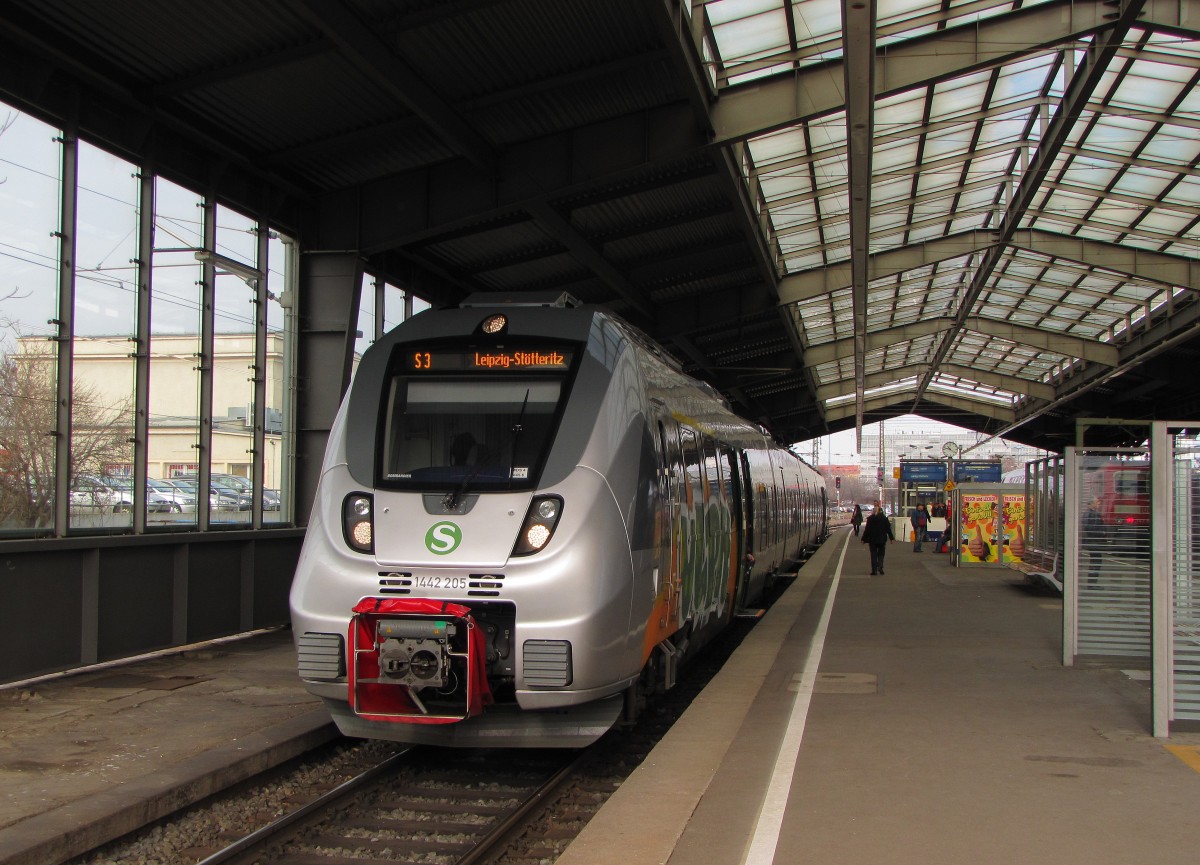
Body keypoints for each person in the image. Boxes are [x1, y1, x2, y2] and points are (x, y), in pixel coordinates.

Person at [861, 505, 894, 575]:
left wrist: (863, 539)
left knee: (873, 555)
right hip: (882, 539)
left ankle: (874, 570)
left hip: (872, 540)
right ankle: (880, 567)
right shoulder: (884, 518)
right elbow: (888, 529)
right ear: (881, 511)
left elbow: (867, 530)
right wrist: (891, 538)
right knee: (881, 554)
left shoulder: (870, 519)